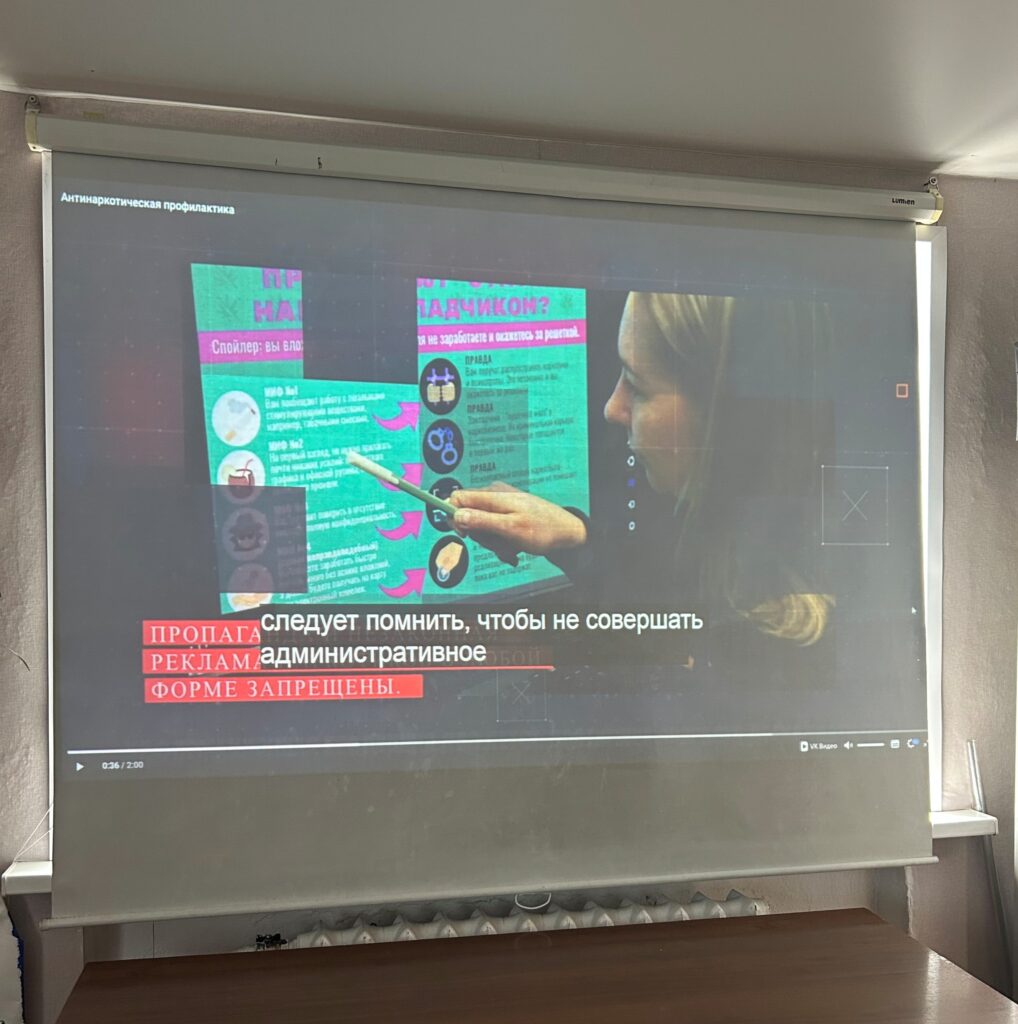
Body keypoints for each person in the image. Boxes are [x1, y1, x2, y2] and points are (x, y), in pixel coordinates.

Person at [449, 291, 834, 648]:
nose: (612, 409)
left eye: (637, 386)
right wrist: (575, 536)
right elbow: (663, 595)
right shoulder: (747, 564)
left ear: (727, 416)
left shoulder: (737, 663)